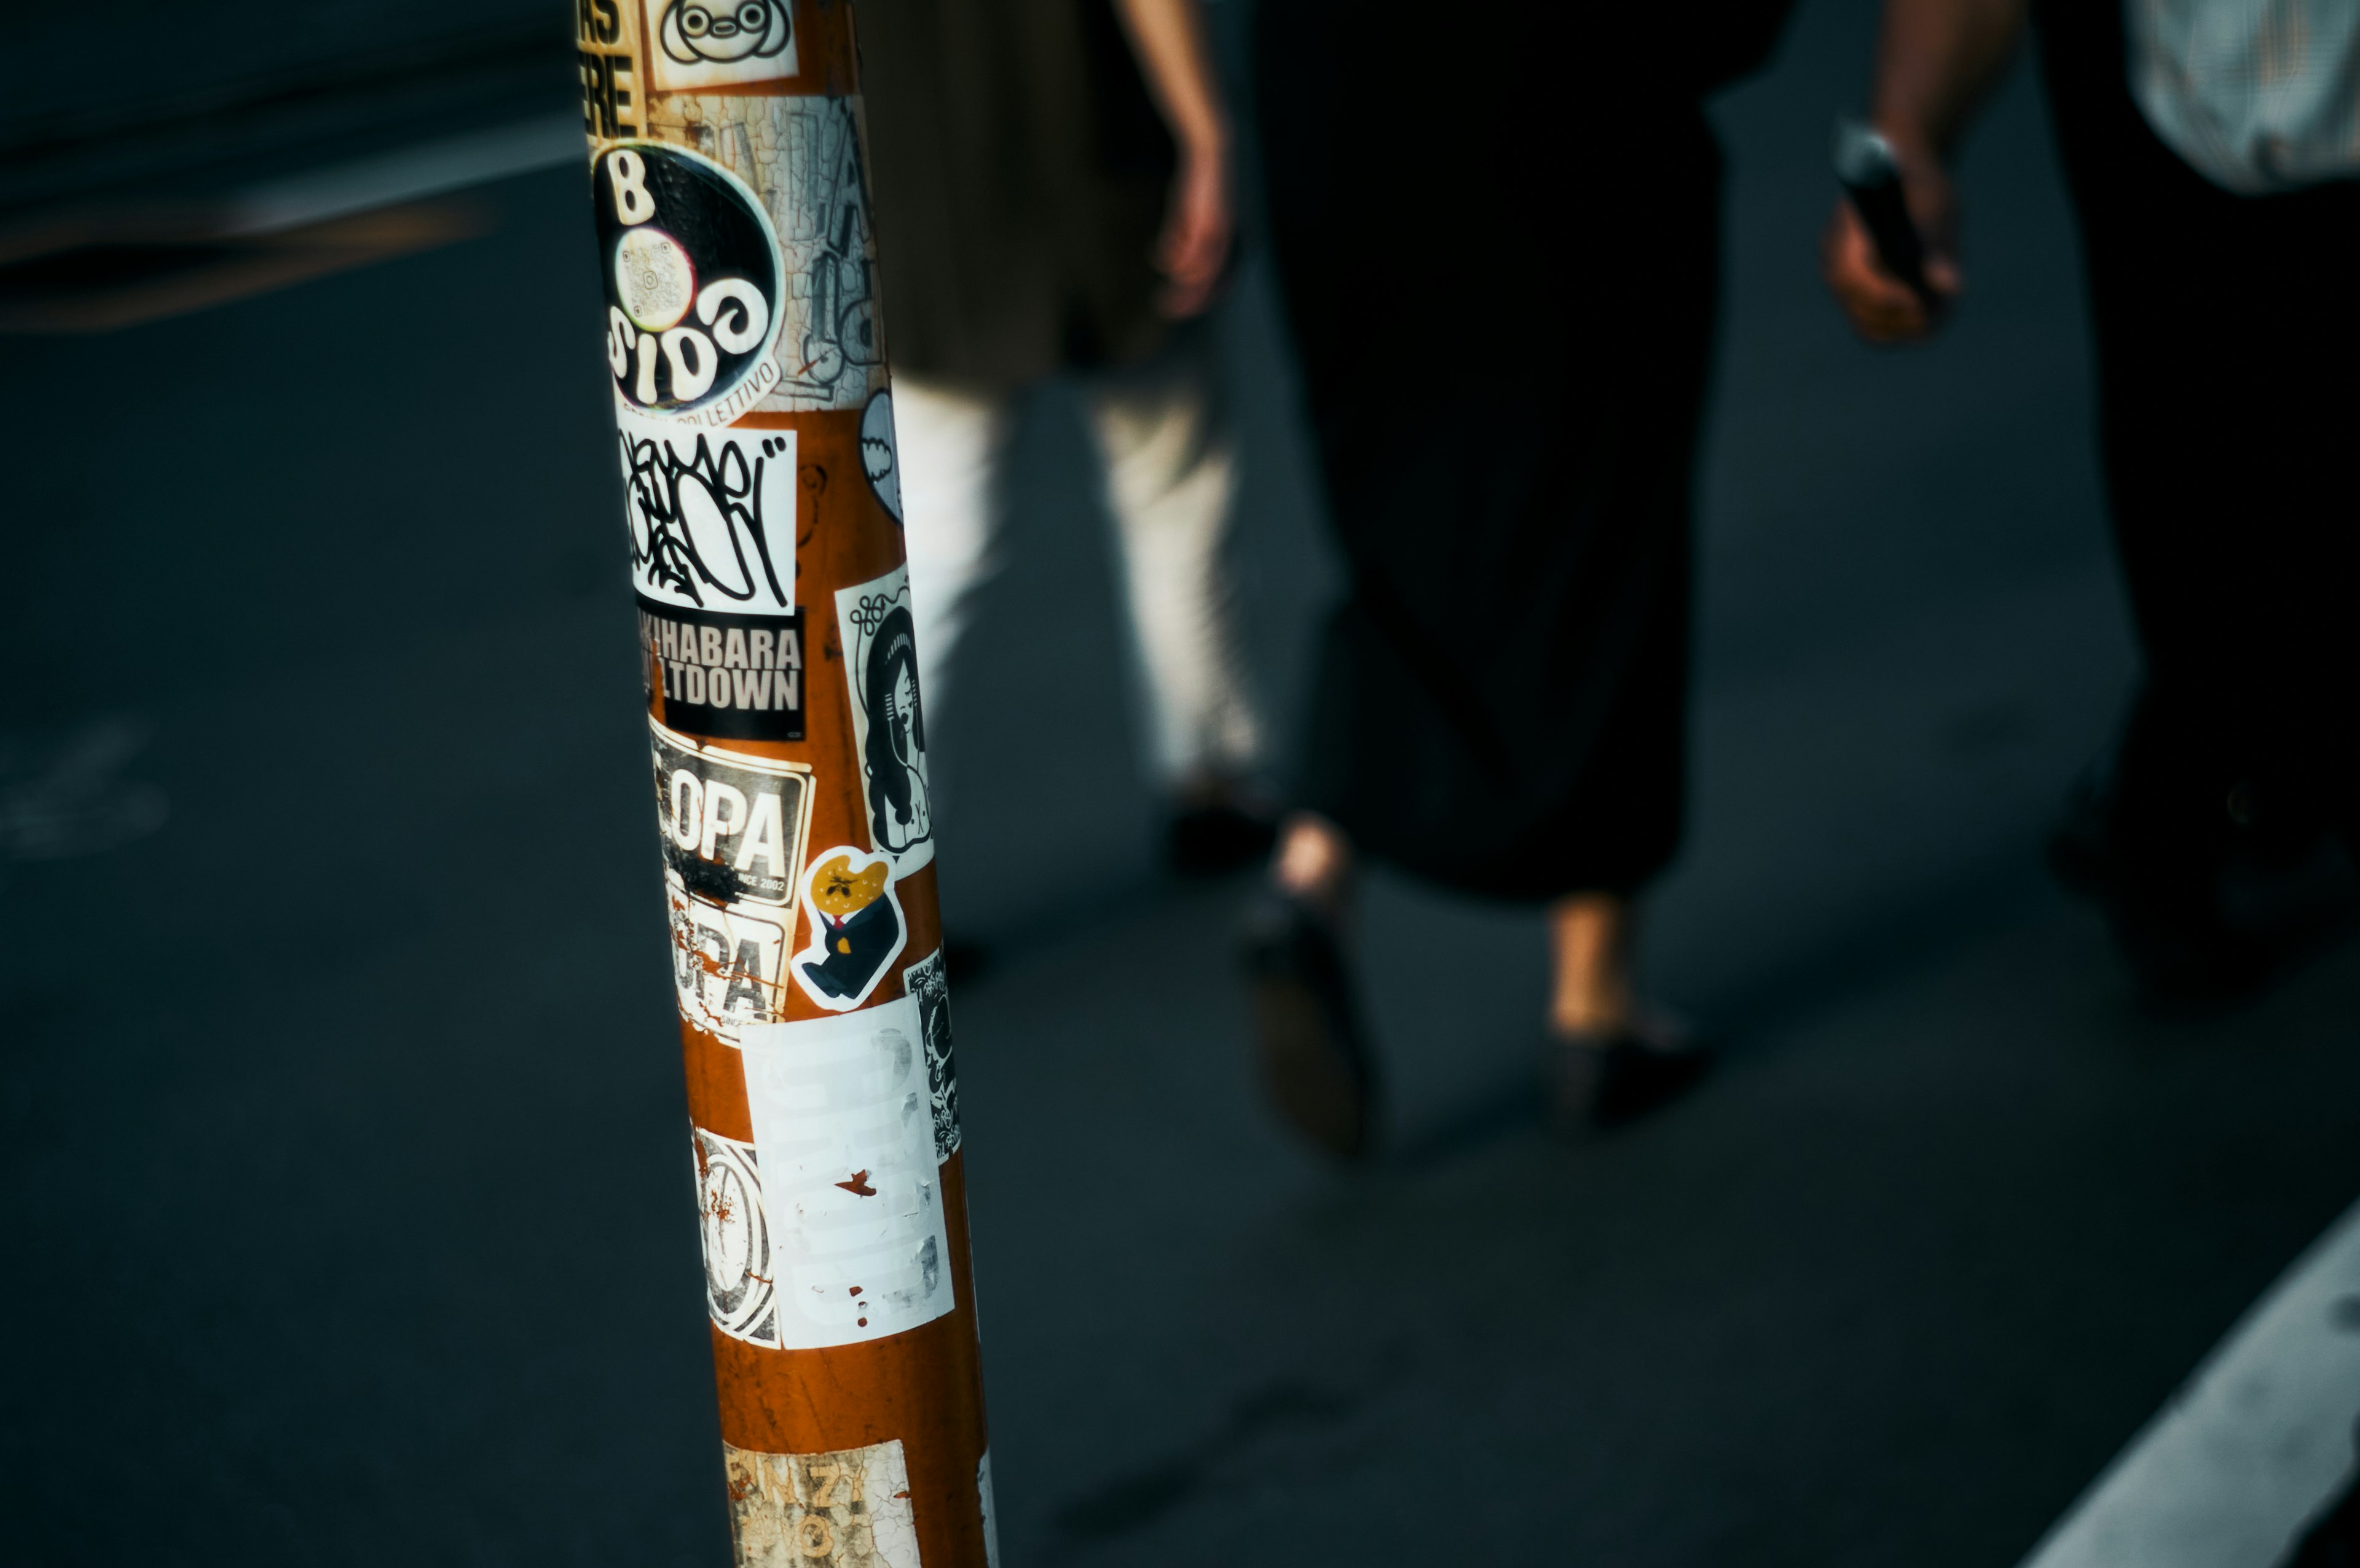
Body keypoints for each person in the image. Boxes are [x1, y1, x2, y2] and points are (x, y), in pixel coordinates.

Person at [1243, 2, 1793, 1158]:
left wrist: (1201, 130)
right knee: (1602, 526)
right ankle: (1595, 1011)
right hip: (1573, 101)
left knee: (1400, 519)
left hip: (1335, 115)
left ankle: (1313, 875)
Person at [1822, 0, 2360, 1000]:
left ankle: (2190, 787)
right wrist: (1908, 142)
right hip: (2176, 132)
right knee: (2209, 518)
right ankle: (2182, 799)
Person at [857, 0, 1275, 877]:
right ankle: (1206, 775)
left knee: (932, 551)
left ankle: (883, 869)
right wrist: (1209, 136)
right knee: (1174, 498)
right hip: (1101, 157)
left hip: (915, 181)